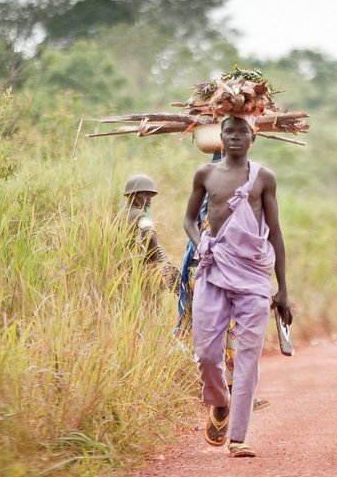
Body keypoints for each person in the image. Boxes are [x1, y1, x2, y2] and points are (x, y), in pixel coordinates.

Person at [183, 115, 291, 458]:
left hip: (254, 275)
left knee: (247, 357)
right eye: (228, 131)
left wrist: (283, 288)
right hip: (214, 269)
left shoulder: (263, 178)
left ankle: (239, 437)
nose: (234, 137)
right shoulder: (205, 174)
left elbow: (274, 231)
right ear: (220, 136)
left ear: (252, 137)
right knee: (205, 353)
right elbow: (188, 218)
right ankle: (219, 401)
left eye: (242, 131)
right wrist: (202, 243)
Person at [122, 173, 179, 291]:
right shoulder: (141, 215)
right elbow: (150, 235)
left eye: (150, 195)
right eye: (144, 194)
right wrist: (154, 265)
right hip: (142, 270)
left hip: (125, 270)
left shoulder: (121, 214)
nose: (148, 199)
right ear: (132, 195)